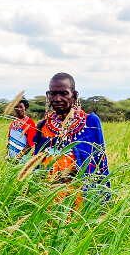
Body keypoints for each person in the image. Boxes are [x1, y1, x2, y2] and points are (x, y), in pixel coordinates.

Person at [32, 73, 110, 206]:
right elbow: (37, 165)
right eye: (52, 93)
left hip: (80, 196)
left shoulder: (90, 122)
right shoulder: (43, 126)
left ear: (74, 95)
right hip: (49, 197)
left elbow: (100, 162)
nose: (57, 98)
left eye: (64, 93)